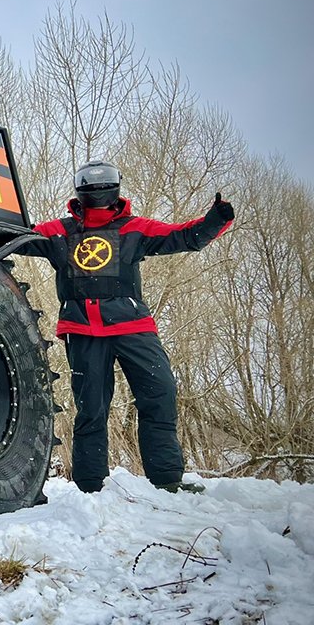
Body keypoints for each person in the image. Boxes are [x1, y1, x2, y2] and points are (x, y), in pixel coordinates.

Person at [14, 160, 234, 494]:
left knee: (160, 393)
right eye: (91, 184)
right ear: (80, 189)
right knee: (91, 408)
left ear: (116, 187)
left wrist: (216, 220)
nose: (97, 189)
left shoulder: (135, 229)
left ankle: (167, 480)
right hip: (84, 331)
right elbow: (19, 237)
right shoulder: (60, 231)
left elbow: (182, 236)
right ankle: (90, 489)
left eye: (104, 182)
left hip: (132, 326)